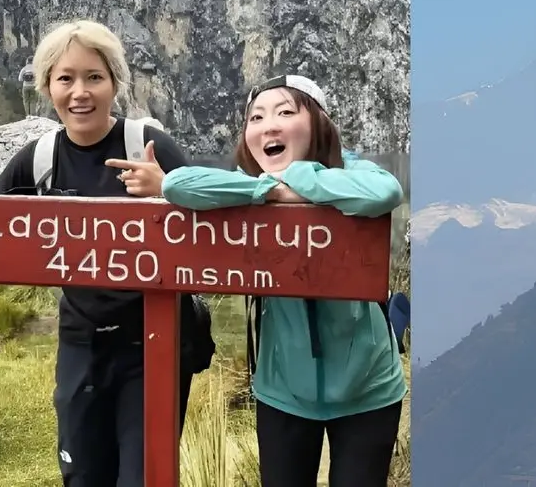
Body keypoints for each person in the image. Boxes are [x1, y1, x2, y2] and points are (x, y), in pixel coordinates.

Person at [0, 19, 211, 487]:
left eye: (94, 77)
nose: (80, 92)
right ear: (47, 87)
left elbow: (216, 220)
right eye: (65, 78)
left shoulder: (150, 148)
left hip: (155, 346)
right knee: (82, 476)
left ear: (115, 82)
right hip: (80, 344)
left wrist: (168, 188)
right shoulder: (37, 158)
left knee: (145, 478)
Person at [160, 74, 406, 487]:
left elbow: (384, 192)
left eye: (286, 112)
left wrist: (301, 180)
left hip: (370, 388)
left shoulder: (351, 170)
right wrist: (266, 191)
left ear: (318, 123)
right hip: (282, 392)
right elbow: (176, 183)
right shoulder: (246, 185)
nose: (268, 125)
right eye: (255, 117)